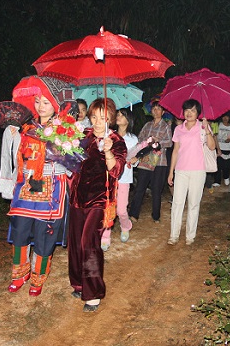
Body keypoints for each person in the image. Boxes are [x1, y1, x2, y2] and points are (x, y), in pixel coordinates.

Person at [2, 75, 72, 297]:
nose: (40, 107)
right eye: (38, 101)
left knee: (44, 234)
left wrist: (58, 149)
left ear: (56, 104)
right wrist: (14, 138)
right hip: (26, 186)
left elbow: (72, 163)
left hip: (52, 187)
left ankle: (38, 278)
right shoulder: (25, 127)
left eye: (46, 102)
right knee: (20, 229)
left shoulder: (66, 129)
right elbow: (18, 158)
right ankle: (19, 274)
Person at [67, 98, 127, 312]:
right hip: (78, 196)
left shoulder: (116, 140)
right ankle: (79, 283)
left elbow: (117, 170)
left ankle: (93, 293)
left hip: (100, 199)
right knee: (74, 242)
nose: (98, 122)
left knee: (88, 243)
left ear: (110, 118)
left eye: (103, 118)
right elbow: (73, 160)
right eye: (94, 117)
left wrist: (109, 150)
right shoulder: (85, 136)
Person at [167, 99, 215, 246]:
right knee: (177, 203)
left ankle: (190, 236)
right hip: (181, 170)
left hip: (198, 171)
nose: (189, 113)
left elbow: (212, 147)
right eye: (187, 110)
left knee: (193, 204)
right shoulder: (178, 129)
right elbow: (175, 151)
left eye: (193, 110)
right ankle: (174, 235)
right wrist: (171, 172)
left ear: (198, 113)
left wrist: (207, 130)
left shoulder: (203, 127)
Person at [129, 99, 172, 223]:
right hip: (146, 159)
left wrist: (157, 141)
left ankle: (156, 216)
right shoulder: (147, 125)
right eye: (154, 108)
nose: (155, 111)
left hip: (159, 161)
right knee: (140, 187)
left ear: (163, 112)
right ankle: (134, 214)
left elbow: (169, 143)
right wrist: (147, 140)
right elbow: (140, 138)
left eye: (158, 109)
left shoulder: (166, 126)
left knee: (156, 189)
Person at [100, 108, 137, 251]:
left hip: (124, 177)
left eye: (122, 115)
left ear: (129, 120)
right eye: (118, 115)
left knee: (121, 210)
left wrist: (134, 160)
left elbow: (135, 157)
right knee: (108, 208)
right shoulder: (108, 135)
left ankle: (126, 225)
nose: (119, 117)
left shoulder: (132, 139)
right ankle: (105, 236)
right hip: (109, 177)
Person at [215, 113, 230, 186]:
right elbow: (214, 136)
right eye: (224, 116)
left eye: (227, 116)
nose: (225, 118)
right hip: (219, 147)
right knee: (218, 165)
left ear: (229, 118)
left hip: (227, 148)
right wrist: (217, 148)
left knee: (227, 165)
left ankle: (226, 177)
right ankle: (217, 181)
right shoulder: (218, 125)